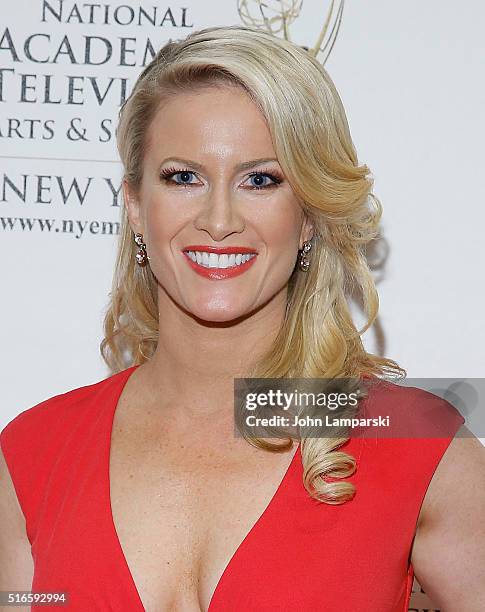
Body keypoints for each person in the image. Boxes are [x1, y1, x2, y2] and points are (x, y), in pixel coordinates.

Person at [1, 24, 485, 612]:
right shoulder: (32, 454)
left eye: (261, 180)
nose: (220, 218)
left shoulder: (418, 443)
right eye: (184, 177)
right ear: (134, 205)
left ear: (308, 215)